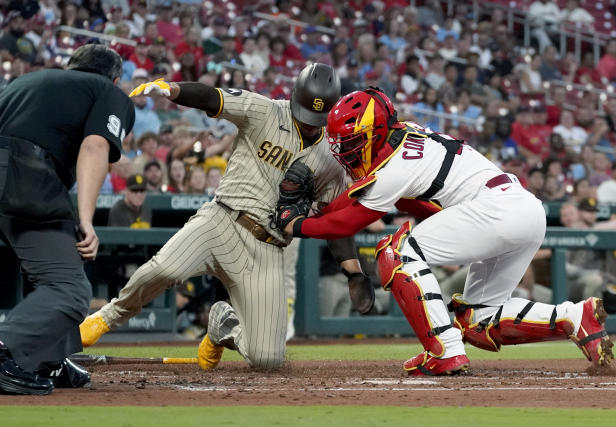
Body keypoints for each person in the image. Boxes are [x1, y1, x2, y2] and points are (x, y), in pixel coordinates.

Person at [275, 88, 614, 376]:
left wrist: (296, 224)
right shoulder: (404, 136)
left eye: (353, 140)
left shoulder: (394, 166)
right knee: (481, 321)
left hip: (495, 209)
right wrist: (324, 209)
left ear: (377, 131)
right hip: (521, 209)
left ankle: (444, 350)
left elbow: (348, 223)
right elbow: (398, 203)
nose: (344, 149)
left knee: (398, 252)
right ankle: (573, 316)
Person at [79, 63, 373, 370]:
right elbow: (212, 98)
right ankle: (107, 317)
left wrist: (352, 271)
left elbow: (334, 217)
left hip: (267, 248)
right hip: (221, 220)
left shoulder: (331, 156)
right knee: (164, 269)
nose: (311, 124)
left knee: (268, 359)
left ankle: (224, 326)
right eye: (305, 113)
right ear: (294, 96)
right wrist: (171, 89)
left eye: (319, 118)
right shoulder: (265, 110)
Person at [0, 44, 134, 394]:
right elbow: (95, 147)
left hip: (16, 179)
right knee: (70, 289)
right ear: (116, 79)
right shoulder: (108, 91)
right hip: (24, 176)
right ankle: (5, 351)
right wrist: (86, 219)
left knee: (50, 268)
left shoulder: (24, 82)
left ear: (72, 66)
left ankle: (46, 359)